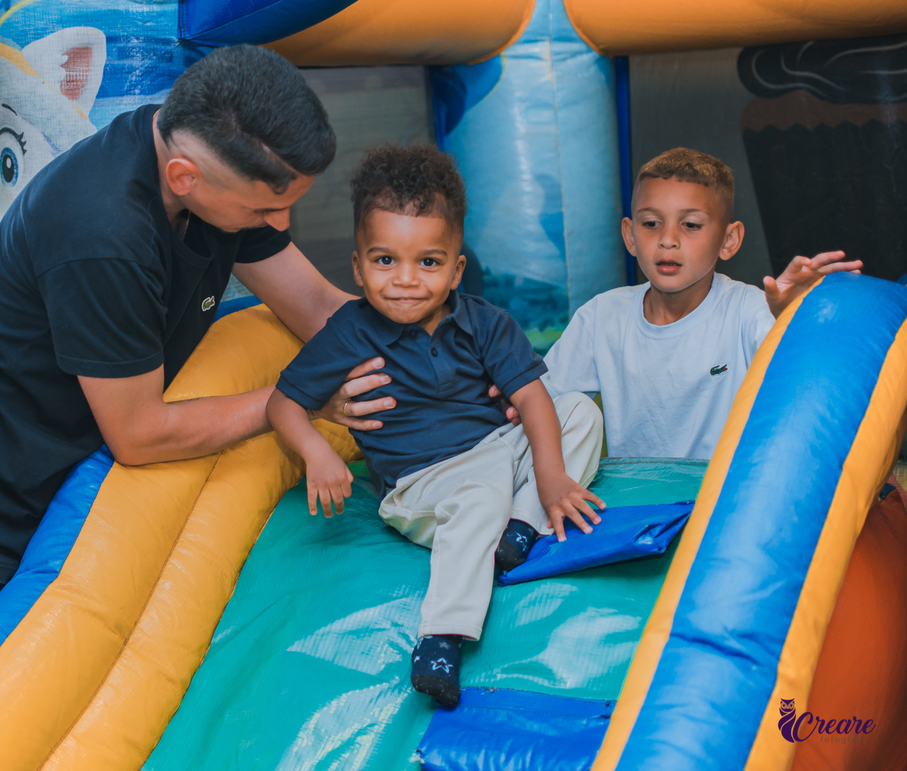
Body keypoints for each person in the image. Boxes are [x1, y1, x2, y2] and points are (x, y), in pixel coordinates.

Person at [0, 45, 397, 737]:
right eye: (268, 208)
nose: (281, 224)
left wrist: (448, 358)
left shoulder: (212, 177)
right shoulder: (101, 230)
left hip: (36, 498)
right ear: (184, 176)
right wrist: (294, 400)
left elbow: (317, 308)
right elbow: (139, 435)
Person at [266, 145, 605, 709]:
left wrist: (549, 475)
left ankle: (521, 529)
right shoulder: (350, 332)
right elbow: (283, 403)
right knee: (478, 497)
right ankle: (441, 636)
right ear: (356, 267)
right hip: (424, 485)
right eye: (384, 261)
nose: (405, 281)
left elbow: (531, 397)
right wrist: (315, 453)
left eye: (427, 262)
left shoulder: (484, 322)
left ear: (455, 269)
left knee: (578, 412)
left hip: (496, 449)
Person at [535, 148, 862, 460]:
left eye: (690, 225)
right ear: (630, 235)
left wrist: (790, 318)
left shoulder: (748, 311)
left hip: (718, 504)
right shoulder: (601, 316)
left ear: (728, 240)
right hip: (637, 505)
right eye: (651, 223)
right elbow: (542, 402)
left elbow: (811, 387)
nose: (667, 239)